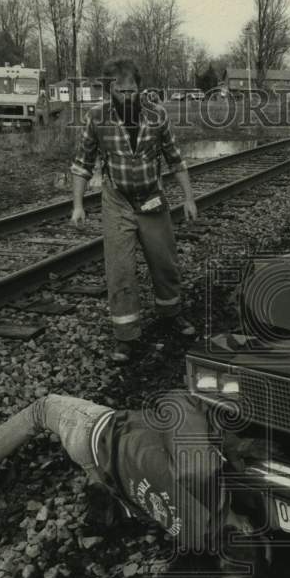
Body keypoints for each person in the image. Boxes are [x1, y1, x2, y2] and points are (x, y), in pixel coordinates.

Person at [0, 390, 273, 578]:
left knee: (41, 409)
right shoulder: (195, 540)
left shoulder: (205, 482)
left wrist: (210, 420)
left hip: (95, 431)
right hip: (106, 472)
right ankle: (99, 490)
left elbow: (174, 402)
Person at [70, 57, 197, 364]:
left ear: (140, 88)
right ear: (109, 90)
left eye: (131, 90)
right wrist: (77, 205)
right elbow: (82, 164)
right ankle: (126, 336)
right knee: (120, 268)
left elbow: (175, 159)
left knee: (164, 262)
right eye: (119, 90)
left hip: (152, 199)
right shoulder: (96, 117)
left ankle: (171, 314)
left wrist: (189, 198)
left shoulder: (157, 115)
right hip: (117, 201)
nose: (126, 96)